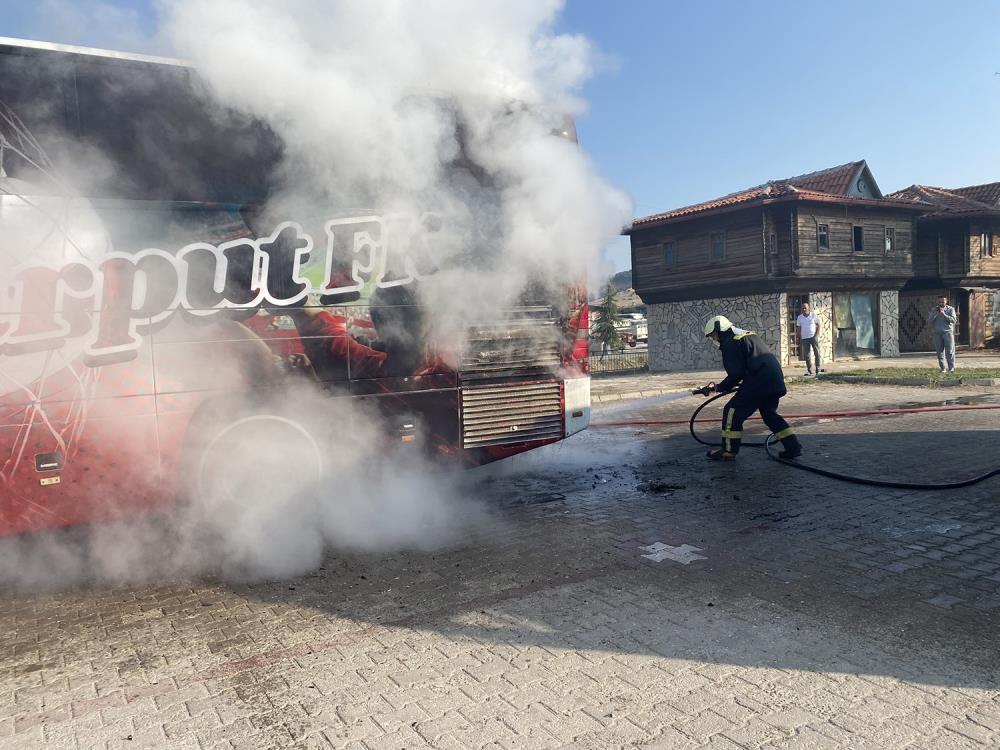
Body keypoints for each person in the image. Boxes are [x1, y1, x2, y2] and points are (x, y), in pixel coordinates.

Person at [695, 315, 803, 461]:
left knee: (732, 412)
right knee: (770, 415)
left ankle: (728, 451)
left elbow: (736, 374)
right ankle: (793, 447)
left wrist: (718, 387)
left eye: (714, 335)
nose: (714, 339)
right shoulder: (748, 335)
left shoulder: (730, 343)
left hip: (759, 383)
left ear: (720, 330)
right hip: (774, 380)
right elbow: (749, 365)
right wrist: (721, 386)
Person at [928, 294, 957, 373]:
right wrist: (936, 314)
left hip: (948, 333)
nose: (941, 303)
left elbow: (954, 320)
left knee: (950, 351)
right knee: (939, 352)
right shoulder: (934, 310)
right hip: (937, 333)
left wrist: (944, 314)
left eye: (943, 302)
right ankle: (943, 368)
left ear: (946, 301)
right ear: (938, 302)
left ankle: (951, 368)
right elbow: (929, 321)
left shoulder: (951, 309)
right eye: (940, 302)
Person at [796, 301, 822, 376]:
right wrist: (798, 337)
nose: (804, 309)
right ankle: (809, 370)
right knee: (807, 355)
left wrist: (816, 334)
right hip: (804, 338)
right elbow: (798, 328)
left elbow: (818, 325)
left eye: (805, 308)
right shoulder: (799, 317)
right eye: (802, 308)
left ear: (808, 308)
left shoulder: (813, 315)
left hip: (813, 337)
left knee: (817, 353)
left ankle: (818, 369)